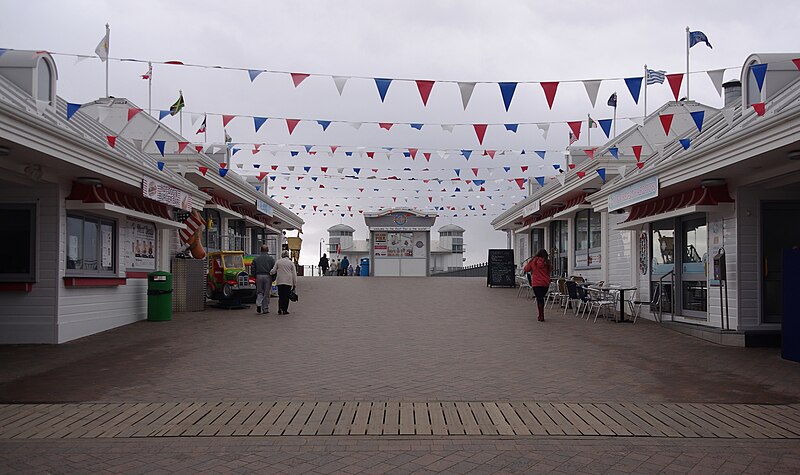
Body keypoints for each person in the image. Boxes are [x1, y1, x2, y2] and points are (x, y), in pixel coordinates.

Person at [524, 249, 552, 322]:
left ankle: (541, 315)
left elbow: (526, 269)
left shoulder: (533, 261)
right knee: (542, 297)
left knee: (539, 298)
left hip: (536, 283)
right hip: (545, 283)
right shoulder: (548, 262)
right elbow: (550, 270)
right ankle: (541, 315)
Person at [271, 250, 297, 315]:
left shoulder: (278, 262)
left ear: (282, 255)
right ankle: (285, 310)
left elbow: (273, 271)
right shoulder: (291, 263)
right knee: (286, 296)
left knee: (281, 296)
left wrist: (270, 272)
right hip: (288, 281)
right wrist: (294, 283)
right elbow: (294, 274)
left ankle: (280, 309)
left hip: (280, 281)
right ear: (288, 255)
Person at [251, 244, 275, 314]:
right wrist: (273, 278)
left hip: (258, 276)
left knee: (259, 292)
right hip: (267, 276)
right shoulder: (271, 259)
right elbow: (273, 269)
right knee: (266, 293)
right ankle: (265, 309)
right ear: (267, 250)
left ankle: (258, 304)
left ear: (260, 250)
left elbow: (253, 268)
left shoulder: (256, 259)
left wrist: (254, 276)